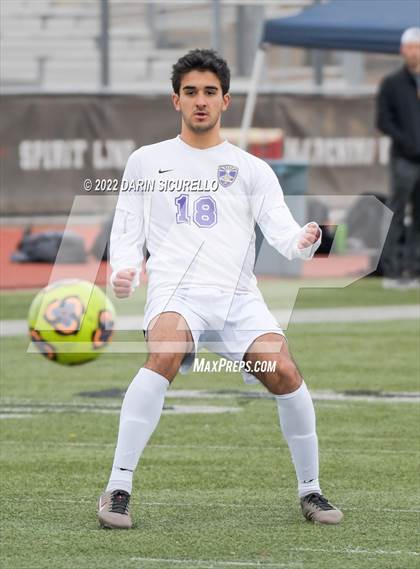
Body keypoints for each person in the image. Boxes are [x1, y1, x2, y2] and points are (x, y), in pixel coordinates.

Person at [97, 49, 343, 529]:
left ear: (226, 100)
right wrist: (123, 272)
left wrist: (305, 239)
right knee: (164, 352)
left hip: (238, 300)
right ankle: (118, 487)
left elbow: (283, 234)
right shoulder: (147, 162)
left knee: (285, 373)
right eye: (191, 92)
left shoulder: (252, 170)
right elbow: (126, 232)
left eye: (210, 92)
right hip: (177, 294)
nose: (200, 101)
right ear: (176, 100)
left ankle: (311, 491)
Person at [376, 27, 420, 289]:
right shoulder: (392, 83)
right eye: (410, 47)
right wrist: (408, 142)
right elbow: (384, 121)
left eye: (418, 47)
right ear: (403, 50)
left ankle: (414, 268)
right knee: (397, 211)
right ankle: (392, 271)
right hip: (404, 159)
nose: (414, 52)